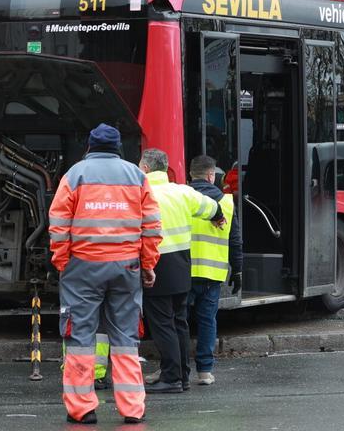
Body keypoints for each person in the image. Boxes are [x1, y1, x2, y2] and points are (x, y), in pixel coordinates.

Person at [48, 124, 161, 425]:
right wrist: (148, 264)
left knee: (80, 337)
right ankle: (133, 408)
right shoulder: (136, 176)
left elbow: (58, 222)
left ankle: (82, 408)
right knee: (126, 339)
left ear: (89, 147)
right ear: (118, 148)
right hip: (126, 266)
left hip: (83, 266)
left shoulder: (75, 175)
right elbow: (151, 224)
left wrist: (62, 261)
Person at [138, 148, 223, 395]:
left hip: (156, 266)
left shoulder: (141, 193)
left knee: (162, 324)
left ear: (145, 169)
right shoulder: (184, 192)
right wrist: (218, 218)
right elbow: (213, 208)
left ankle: (172, 378)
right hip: (183, 267)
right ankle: (182, 376)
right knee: (179, 322)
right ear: (165, 170)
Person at [186, 155, 241, 386]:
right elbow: (235, 240)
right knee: (207, 320)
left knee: (178, 321)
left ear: (190, 175)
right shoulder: (226, 202)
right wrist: (237, 270)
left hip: (184, 272)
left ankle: (174, 368)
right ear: (212, 176)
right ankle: (205, 372)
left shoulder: (182, 198)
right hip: (213, 274)